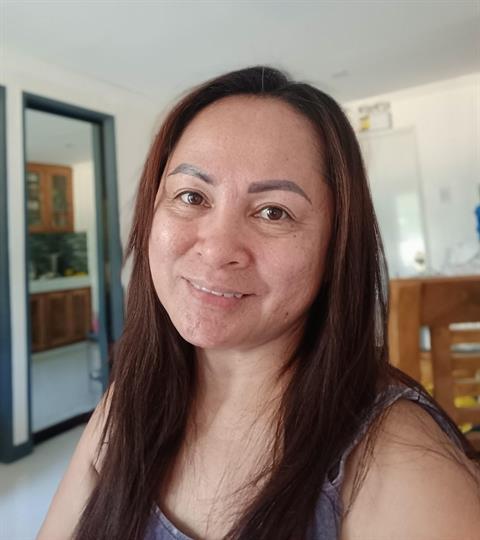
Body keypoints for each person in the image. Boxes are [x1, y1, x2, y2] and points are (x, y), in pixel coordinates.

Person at [38, 66, 480, 540]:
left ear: (336, 247)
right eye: (192, 196)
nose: (216, 248)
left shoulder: (398, 466)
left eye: (274, 211)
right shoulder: (131, 399)